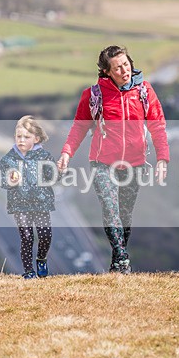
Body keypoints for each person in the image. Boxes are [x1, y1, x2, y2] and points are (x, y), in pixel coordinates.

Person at [57, 45, 170, 274]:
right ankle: (123, 260)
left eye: (126, 64)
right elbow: (79, 128)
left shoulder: (144, 91)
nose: (124, 70)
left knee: (124, 216)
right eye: (117, 68)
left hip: (135, 164)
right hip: (102, 163)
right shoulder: (94, 95)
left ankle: (116, 264)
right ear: (106, 72)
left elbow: (157, 126)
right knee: (110, 210)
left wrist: (162, 159)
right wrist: (66, 153)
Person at [0, 115, 57, 279]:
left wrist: (60, 171)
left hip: (41, 203)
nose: (21, 140)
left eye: (26, 137)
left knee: (45, 236)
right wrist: (9, 180)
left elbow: (53, 177)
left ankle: (41, 259)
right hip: (20, 205)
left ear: (36, 139)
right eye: (19, 136)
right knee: (27, 237)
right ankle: (29, 271)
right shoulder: (9, 159)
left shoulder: (44, 156)